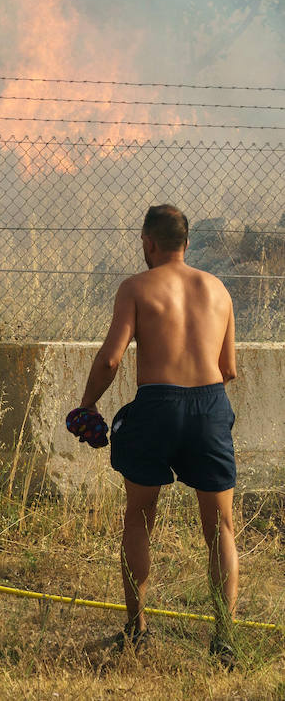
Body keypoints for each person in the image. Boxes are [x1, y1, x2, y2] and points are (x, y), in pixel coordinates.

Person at [74, 204, 238, 662]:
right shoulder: (218, 290)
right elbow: (229, 368)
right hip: (209, 404)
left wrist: (87, 407)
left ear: (149, 243)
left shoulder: (136, 287)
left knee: (139, 517)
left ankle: (137, 628)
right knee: (220, 527)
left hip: (157, 405)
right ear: (186, 243)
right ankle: (224, 639)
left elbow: (111, 359)